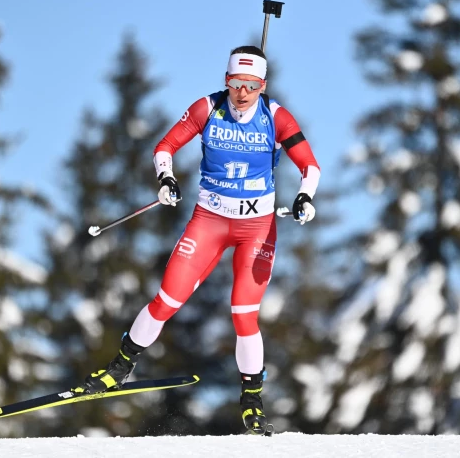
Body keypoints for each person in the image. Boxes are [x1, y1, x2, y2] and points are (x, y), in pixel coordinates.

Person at [77, 45, 321, 433]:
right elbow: (165, 147)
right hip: (209, 221)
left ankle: (252, 400)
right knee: (167, 298)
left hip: (256, 229)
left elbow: (310, 166)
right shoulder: (208, 108)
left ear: (263, 85)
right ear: (226, 81)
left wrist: (305, 196)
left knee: (244, 314)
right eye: (236, 84)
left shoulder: (275, 117)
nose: (243, 93)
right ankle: (118, 369)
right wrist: (165, 179)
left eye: (252, 85)